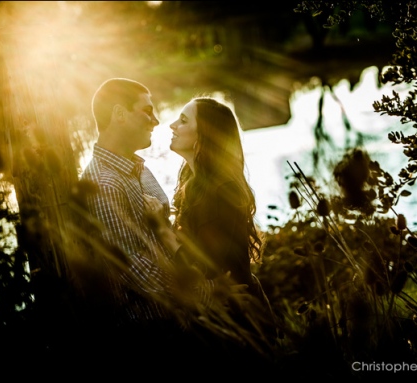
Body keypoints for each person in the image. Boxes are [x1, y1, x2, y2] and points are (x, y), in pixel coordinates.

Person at [78, 78, 213, 334]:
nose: (156, 121)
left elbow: (162, 237)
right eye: (147, 111)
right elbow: (137, 271)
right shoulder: (104, 185)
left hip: (185, 321)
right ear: (119, 114)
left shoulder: (139, 169)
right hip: (154, 333)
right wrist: (206, 292)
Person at [145, 96, 277, 345]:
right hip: (219, 312)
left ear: (204, 135)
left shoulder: (222, 191)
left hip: (239, 319)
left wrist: (163, 231)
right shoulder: (194, 186)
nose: (172, 125)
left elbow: (205, 265)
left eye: (183, 121)